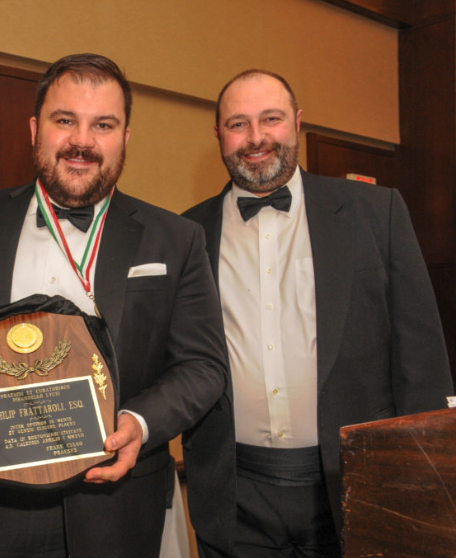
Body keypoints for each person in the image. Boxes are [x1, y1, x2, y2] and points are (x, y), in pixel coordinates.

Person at [0, 53, 228, 558]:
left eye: (102, 125)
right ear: (34, 128)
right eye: (65, 120)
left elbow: (203, 365)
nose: (82, 141)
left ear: (126, 137)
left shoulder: (176, 239)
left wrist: (139, 423)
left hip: (115, 509)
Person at [182, 69, 454, 558]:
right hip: (234, 495)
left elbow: (422, 359)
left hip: (359, 482)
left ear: (298, 124)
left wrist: (425, 477)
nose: (256, 137)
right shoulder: (185, 234)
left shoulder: (377, 212)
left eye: (272, 119)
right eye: (238, 124)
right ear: (218, 134)